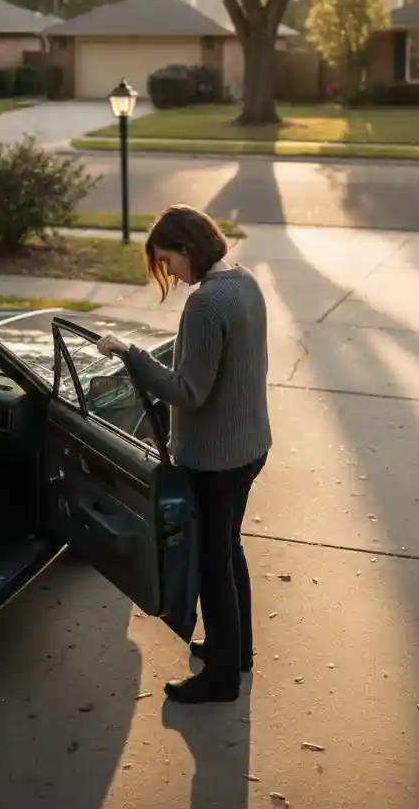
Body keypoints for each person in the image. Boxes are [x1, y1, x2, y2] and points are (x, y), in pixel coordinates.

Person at [96, 204, 272, 704]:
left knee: (213, 564)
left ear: (189, 250)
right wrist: (146, 356)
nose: (170, 273)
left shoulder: (205, 304)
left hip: (215, 460)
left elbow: (189, 391)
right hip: (250, 446)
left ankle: (219, 680)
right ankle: (235, 652)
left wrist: (131, 356)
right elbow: (211, 357)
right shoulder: (244, 282)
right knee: (228, 549)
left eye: (169, 261)